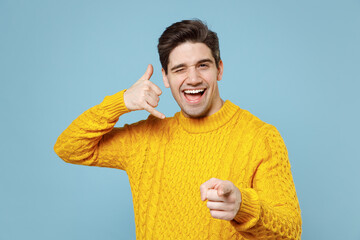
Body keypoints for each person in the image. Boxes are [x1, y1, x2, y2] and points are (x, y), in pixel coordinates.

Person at [54, 19, 302, 239]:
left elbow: (291, 232)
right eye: (180, 69)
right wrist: (121, 103)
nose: (192, 78)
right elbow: (69, 148)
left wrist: (242, 207)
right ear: (165, 77)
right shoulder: (145, 138)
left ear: (220, 69)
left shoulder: (260, 137)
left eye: (203, 65)